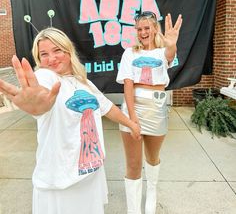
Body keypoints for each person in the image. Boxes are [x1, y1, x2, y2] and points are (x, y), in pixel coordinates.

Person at [0, 27, 141, 214]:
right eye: (44, 54)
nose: (52, 58)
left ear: (68, 51)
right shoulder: (47, 77)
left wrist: (131, 124)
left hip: (90, 172)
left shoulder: (83, 82)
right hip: (61, 181)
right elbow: (41, 97)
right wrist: (36, 104)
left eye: (57, 50)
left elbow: (106, 106)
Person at [116, 11, 182, 214]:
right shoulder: (129, 53)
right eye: (139, 29)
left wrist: (171, 45)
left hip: (157, 108)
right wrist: (132, 117)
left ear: (154, 28)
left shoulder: (163, 52)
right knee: (133, 164)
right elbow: (127, 85)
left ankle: (151, 194)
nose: (143, 32)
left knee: (152, 157)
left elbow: (170, 55)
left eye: (147, 28)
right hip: (132, 108)